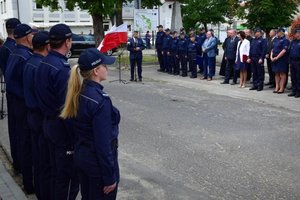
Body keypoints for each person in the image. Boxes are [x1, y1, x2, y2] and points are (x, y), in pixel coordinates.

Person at [60, 48, 120, 200]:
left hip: (83, 157)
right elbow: (103, 143)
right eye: (104, 66)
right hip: (97, 164)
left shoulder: (79, 92)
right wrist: (109, 176)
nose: (107, 68)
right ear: (96, 71)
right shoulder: (100, 100)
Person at [35, 23, 79, 200]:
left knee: (56, 175)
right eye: (71, 40)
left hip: (48, 124)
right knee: (67, 180)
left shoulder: (43, 62)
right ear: (67, 42)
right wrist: (75, 138)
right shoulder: (61, 69)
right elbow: (66, 110)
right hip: (61, 130)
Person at [5, 23, 34, 194]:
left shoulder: (15, 52)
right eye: (31, 35)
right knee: (27, 145)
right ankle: (29, 183)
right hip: (23, 106)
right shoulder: (24, 57)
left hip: (17, 104)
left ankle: (25, 177)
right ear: (27, 37)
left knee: (23, 142)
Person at [23, 31, 51, 199]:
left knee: (39, 159)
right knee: (45, 161)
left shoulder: (29, 62)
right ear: (47, 45)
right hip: (40, 117)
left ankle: (40, 192)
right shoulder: (39, 66)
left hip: (31, 114)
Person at [0, 18, 21, 174]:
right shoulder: (12, 48)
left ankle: (17, 163)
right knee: (19, 133)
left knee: (14, 131)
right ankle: (20, 164)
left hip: (11, 92)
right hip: (17, 94)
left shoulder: (4, 47)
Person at [270, 28, 290, 94]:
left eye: (278, 32)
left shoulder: (285, 40)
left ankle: (281, 88)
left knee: (282, 73)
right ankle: (277, 87)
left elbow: (284, 50)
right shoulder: (275, 39)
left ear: (282, 32)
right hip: (275, 58)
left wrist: (277, 57)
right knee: (276, 73)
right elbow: (272, 49)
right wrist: (271, 57)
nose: (277, 33)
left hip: (282, 59)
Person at [288, 28, 300, 98]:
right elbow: (289, 51)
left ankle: (298, 91)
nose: (294, 35)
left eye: (295, 33)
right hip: (292, 61)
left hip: (298, 62)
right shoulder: (293, 42)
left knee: (298, 77)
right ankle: (294, 90)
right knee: (293, 77)